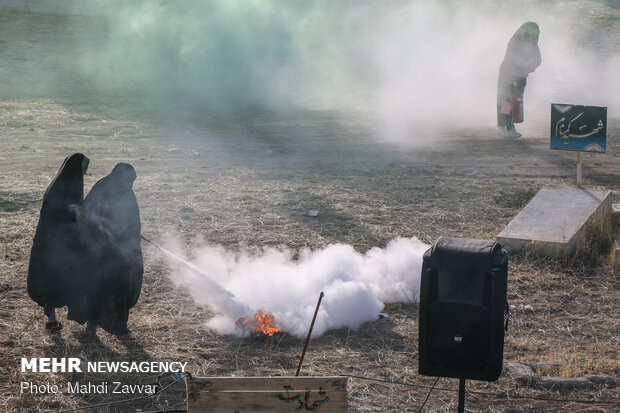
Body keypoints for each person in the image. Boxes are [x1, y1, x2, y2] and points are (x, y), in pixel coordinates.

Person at [497, 22, 541, 138]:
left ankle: (510, 126)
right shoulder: (515, 43)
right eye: (532, 34)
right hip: (509, 73)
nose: (534, 37)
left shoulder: (533, 44)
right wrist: (515, 78)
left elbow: (538, 59)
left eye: (536, 35)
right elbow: (512, 61)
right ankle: (503, 126)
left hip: (521, 75)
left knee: (515, 102)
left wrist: (529, 67)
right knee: (506, 101)